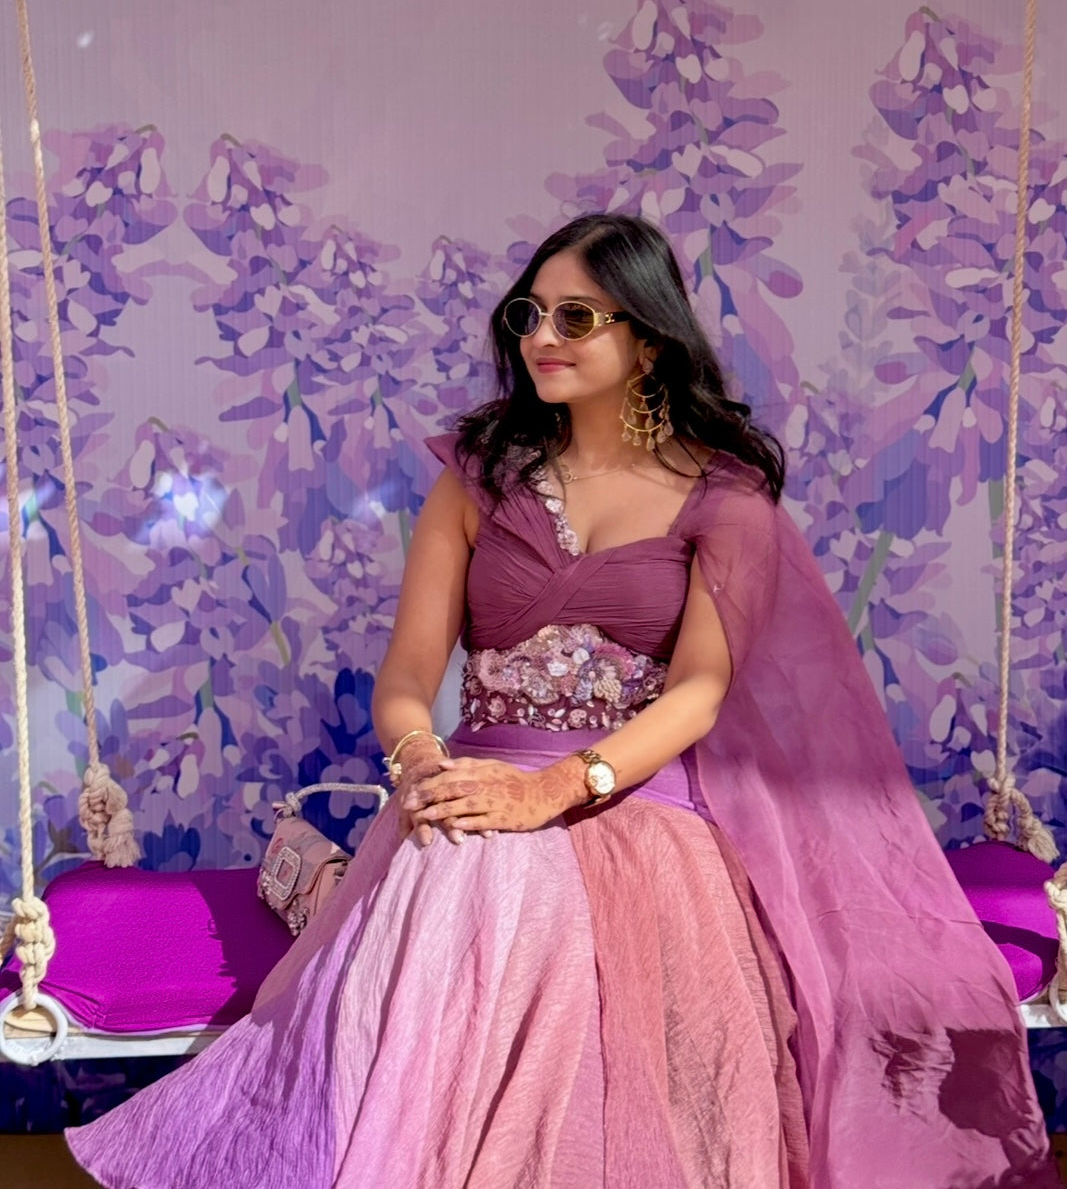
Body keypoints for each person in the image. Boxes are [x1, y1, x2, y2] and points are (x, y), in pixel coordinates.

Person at [66, 214, 1057, 1189]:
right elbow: (408, 673)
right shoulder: (478, 477)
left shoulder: (723, 495)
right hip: (468, 783)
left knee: (504, 876)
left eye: (574, 317)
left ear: (647, 339)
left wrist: (550, 792)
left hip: (641, 799)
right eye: (528, 313)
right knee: (464, 854)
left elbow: (699, 690)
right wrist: (422, 763)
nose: (540, 336)